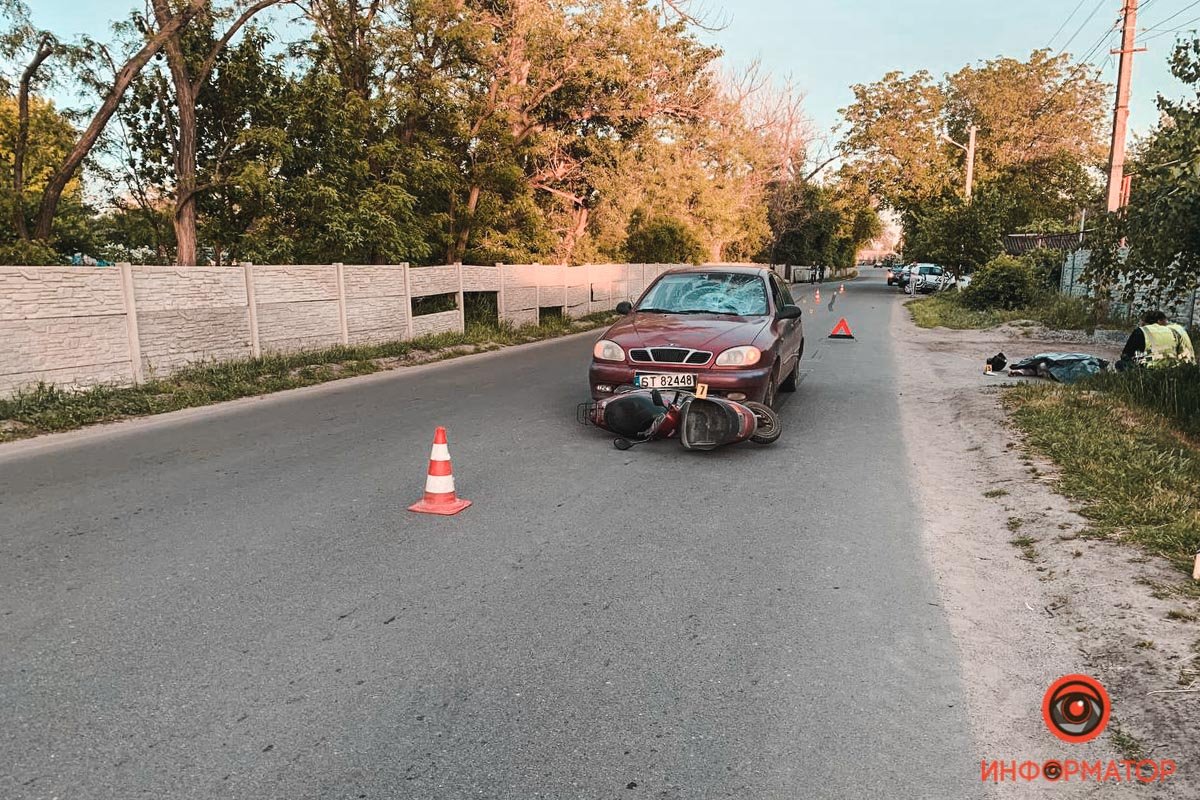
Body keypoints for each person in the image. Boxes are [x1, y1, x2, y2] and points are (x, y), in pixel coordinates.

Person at [1119, 310, 1196, 369]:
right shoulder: (1175, 329)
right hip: (1175, 366)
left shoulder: (1143, 331)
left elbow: (1126, 354)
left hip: (1150, 367)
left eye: (1142, 324)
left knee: (1121, 364)